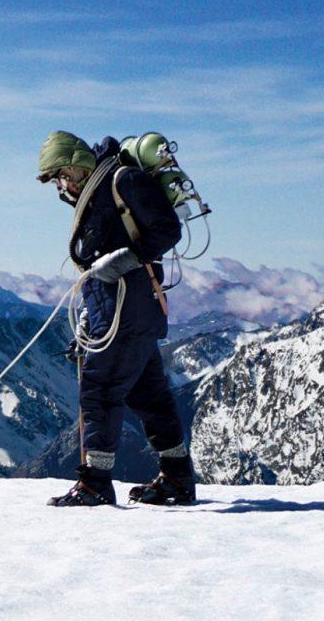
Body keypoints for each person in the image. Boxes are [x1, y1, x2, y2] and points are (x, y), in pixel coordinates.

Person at [35, 131, 197, 507]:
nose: (62, 185)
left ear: (78, 161)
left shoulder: (122, 181)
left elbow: (167, 229)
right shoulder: (101, 188)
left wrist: (128, 257)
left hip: (128, 306)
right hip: (126, 306)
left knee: (99, 388)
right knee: (147, 392)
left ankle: (95, 483)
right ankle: (177, 477)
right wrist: (92, 312)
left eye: (62, 174)